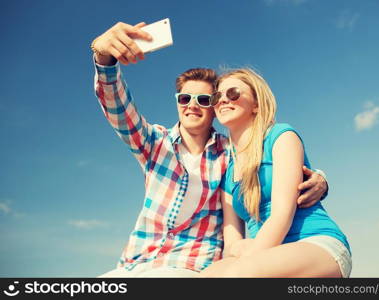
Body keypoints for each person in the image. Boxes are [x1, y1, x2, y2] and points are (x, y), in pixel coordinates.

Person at [91, 21, 329, 277]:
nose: (192, 105)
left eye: (204, 100)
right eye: (184, 98)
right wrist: (103, 57)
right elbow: (118, 108)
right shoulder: (153, 143)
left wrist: (319, 177)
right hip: (134, 263)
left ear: (214, 107)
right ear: (177, 103)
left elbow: (273, 160)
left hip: (188, 264)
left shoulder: (230, 154)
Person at [198, 68, 352, 278]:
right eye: (217, 96)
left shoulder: (281, 137)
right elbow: (232, 238)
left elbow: (282, 214)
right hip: (261, 253)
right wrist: (240, 250)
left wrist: (248, 256)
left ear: (256, 104)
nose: (223, 100)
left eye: (232, 93)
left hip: (312, 242)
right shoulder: (228, 171)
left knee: (238, 275)